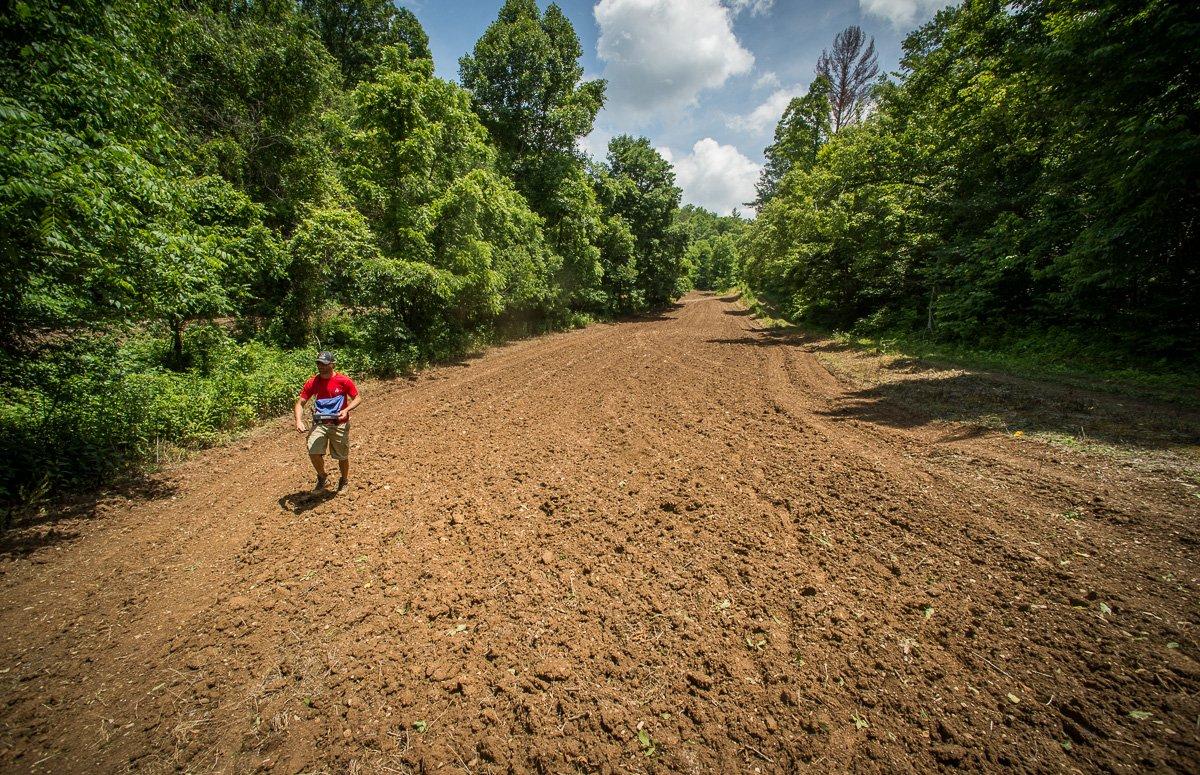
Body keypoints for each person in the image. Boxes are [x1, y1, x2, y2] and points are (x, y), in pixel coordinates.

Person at [294, 351, 361, 492]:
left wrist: (346, 409)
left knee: (342, 456)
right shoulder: (313, 382)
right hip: (320, 423)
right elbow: (300, 403)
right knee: (313, 450)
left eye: (324, 364)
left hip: (339, 424)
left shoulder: (344, 381)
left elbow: (357, 398)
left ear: (332, 364)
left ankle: (344, 480)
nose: (321, 367)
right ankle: (323, 477)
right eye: (319, 363)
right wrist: (298, 420)